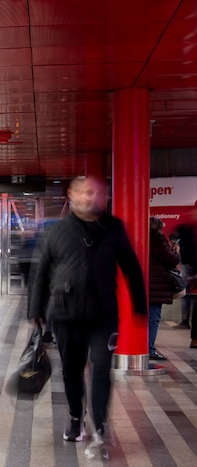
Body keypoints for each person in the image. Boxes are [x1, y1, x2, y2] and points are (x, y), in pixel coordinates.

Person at [29, 175, 147, 449]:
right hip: (66, 314)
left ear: (102, 195)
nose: (88, 197)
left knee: (102, 368)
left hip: (103, 314)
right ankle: (75, 417)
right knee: (71, 370)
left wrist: (140, 303)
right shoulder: (57, 231)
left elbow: (131, 267)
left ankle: (101, 423)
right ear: (71, 194)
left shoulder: (113, 228)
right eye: (82, 192)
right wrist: (36, 308)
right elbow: (41, 272)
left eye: (94, 192)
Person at [148, 217, 180, 361]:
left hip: (144, 283)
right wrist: (176, 251)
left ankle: (145, 347)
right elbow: (172, 260)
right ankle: (150, 349)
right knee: (154, 318)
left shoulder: (142, 237)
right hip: (156, 286)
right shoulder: (157, 239)